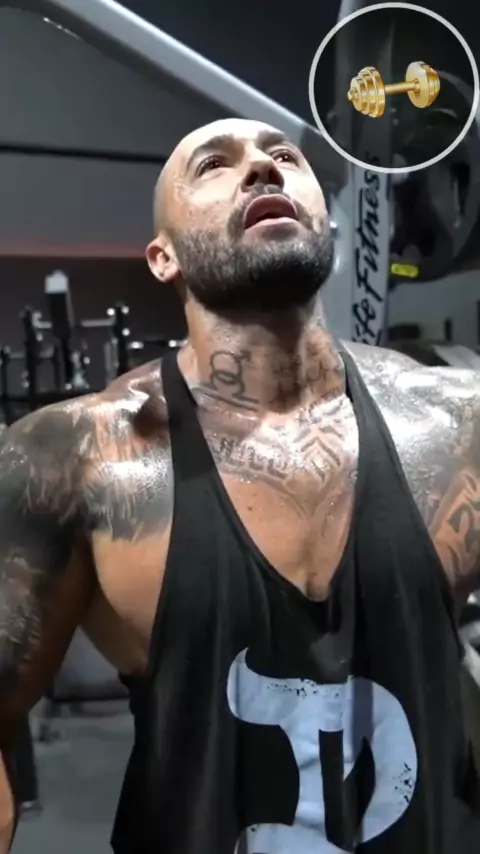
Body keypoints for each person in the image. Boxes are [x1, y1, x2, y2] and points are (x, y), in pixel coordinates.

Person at [0, 117, 480, 854]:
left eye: (283, 154)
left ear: (326, 219)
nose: (262, 166)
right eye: (214, 165)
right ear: (162, 257)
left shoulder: (458, 422)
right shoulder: (74, 457)